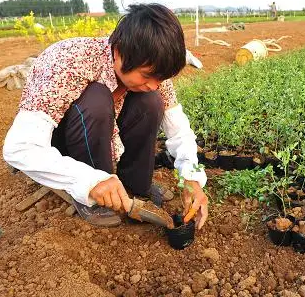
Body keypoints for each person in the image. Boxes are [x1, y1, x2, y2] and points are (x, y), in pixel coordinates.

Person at [3, 4, 209, 229]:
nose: (154, 84)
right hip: (60, 144)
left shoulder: (151, 68)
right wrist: (87, 181)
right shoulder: (69, 62)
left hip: (103, 135)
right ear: (119, 52)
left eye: (160, 78)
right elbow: (19, 148)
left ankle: (135, 184)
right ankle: (92, 194)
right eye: (148, 77)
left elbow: (177, 127)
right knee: (97, 99)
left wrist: (192, 177)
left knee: (152, 100)